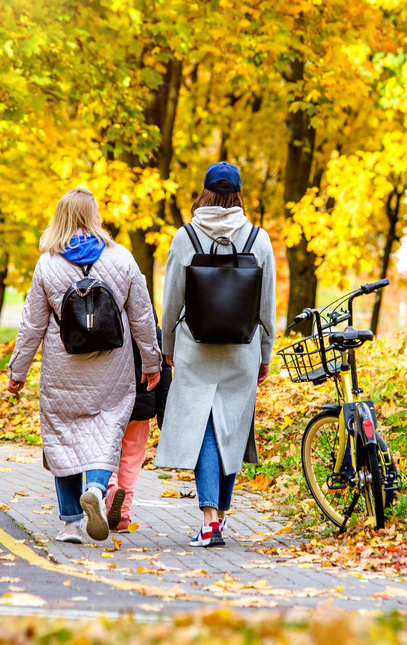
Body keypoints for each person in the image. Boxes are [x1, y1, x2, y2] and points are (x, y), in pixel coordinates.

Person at [7, 187, 161, 545]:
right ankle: (95, 487)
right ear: (95, 216)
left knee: (62, 439)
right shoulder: (121, 258)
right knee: (106, 432)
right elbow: (141, 317)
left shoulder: (47, 263)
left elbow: (32, 325)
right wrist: (151, 363)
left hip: (63, 368)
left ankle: (71, 524)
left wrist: (18, 370)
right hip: (112, 367)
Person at [154, 162, 276, 548]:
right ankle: (217, 518)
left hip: (195, 346)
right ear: (238, 195)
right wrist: (265, 353)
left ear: (204, 193)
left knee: (205, 427)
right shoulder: (258, 238)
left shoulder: (185, 237)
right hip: (243, 347)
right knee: (231, 427)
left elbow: (172, 300)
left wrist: (168, 347)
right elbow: (267, 305)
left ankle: (210, 521)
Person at [105, 310, 173, 533]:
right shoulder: (148, 321)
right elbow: (163, 367)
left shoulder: (102, 315)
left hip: (107, 402)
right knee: (132, 460)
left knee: (104, 452)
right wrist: (165, 413)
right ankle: (123, 514)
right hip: (141, 402)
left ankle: (110, 489)